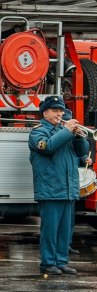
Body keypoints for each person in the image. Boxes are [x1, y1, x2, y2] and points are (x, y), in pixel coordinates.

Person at [29, 97, 90, 275]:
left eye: (61, 110)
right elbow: (48, 147)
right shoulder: (37, 133)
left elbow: (82, 152)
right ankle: (48, 263)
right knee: (50, 230)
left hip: (68, 189)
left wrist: (78, 136)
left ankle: (61, 261)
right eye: (55, 110)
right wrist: (67, 130)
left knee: (64, 230)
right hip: (50, 189)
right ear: (45, 113)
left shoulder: (65, 132)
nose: (60, 114)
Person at [62, 109, 93, 255]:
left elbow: (81, 152)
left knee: (70, 218)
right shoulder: (60, 135)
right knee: (58, 220)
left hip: (72, 182)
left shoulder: (74, 136)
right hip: (61, 183)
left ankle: (67, 244)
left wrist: (86, 159)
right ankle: (59, 249)